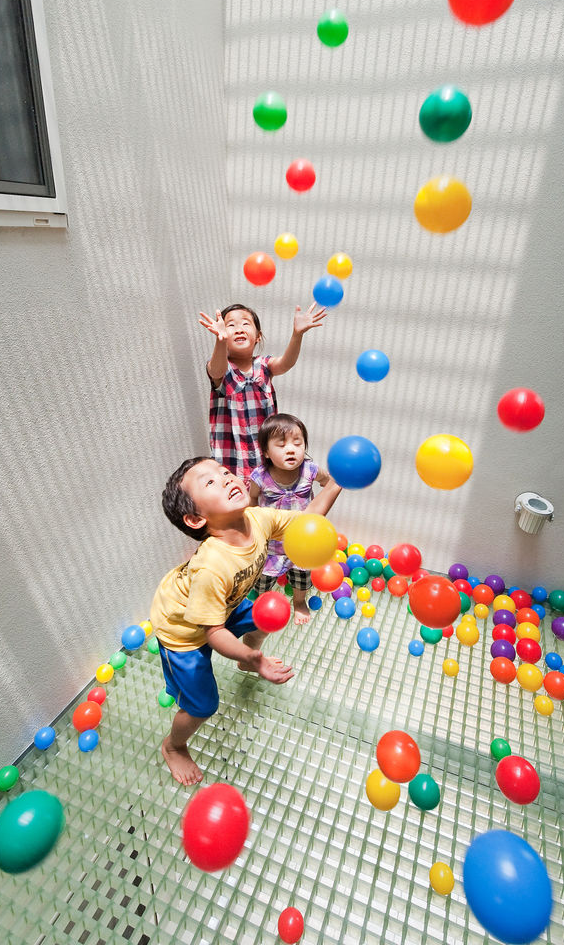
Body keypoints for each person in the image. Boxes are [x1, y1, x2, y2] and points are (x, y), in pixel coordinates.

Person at [151, 455, 341, 785]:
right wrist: (253, 655)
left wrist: (337, 484)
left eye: (224, 472)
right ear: (196, 519)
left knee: (267, 615)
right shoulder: (212, 566)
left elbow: (308, 521)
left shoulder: (257, 518)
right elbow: (214, 634)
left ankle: (245, 663)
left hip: (224, 604)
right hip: (183, 630)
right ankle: (173, 747)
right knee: (202, 706)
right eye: (210, 482)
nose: (226, 478)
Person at [199, 302, 326, 483]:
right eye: (231, 325)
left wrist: (297, 335)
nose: (239, 329)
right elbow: (216, 371)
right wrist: (220, 341)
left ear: (258, 336)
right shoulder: (223, 368)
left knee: (268, 495)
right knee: (239, 500)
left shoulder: (264, 365)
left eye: (245, 323)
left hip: (264, 451)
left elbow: (286, 363)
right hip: (233, 456)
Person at [249, 413, 331, 625]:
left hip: (302, 543)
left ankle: (299, 602)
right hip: (272, 544)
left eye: (298, 442)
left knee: (301, 577)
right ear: (266, 452)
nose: (291, 449)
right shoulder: (260, 477)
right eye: (282, 444)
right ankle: (263, 602)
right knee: (263, 579)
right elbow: (252, 499)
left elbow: (327, 481)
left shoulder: (310, 471)